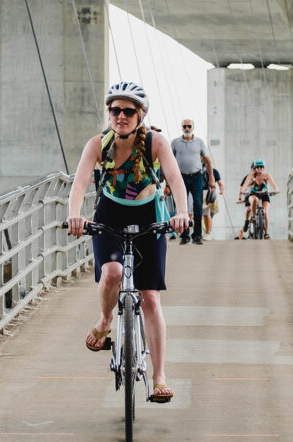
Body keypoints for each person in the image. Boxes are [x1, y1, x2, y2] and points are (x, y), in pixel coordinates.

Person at [67, 82, 189, 404]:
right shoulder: (98, 145)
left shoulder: (156, 143)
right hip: (109, 216)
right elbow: (80, 182)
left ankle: (159, 377)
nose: (120, 116)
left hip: (149, 217)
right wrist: (74, 215)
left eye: (128, 111)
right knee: (112, 273)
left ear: (140, 115)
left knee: (150, 298)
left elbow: (175, 179)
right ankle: (106, 320)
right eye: (115, 110)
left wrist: (182, 212)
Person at [170, 118, 214, 245]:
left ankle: (197, 235)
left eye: (189, 126)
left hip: (196, 177)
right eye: (184, 126)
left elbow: (208, 161)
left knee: (198, 206)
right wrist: (168, 183)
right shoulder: (175, 142)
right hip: (181, 178)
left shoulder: (199, 142)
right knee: (181, 206)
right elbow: (170, 161)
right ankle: (185, 236)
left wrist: (211, 178)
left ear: (193, 127)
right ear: (181, 127)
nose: (187, 128)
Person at [236, 159, 279, 239]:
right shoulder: (251, 176)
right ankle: (253, 216)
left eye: (261, 167)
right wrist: (242, 192)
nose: (259, 168)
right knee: (254, 200)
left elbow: (274, 185)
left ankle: (266, 233)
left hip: (264, 195)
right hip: (253, 194)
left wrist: (276, 190)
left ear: (263, 168)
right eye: (257, 167)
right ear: (254, 168)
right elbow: (244, 186)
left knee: (265, 212)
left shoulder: (267, 176)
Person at [202, 167, 224, 238]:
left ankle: (208, 232)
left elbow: (220, 183)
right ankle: (205, 232)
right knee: (202, 214)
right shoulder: (198, 171)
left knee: (207, 214)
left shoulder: (214, 171)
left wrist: (221, 190)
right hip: (200, 193)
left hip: (209, 196)